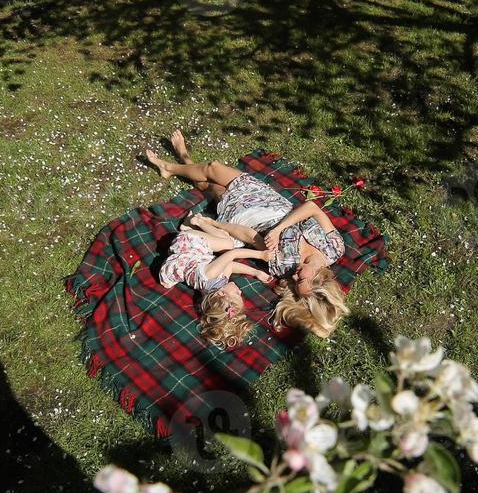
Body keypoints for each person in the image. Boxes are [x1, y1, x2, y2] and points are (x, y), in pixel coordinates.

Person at [145, 130, 351, 338]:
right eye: (301, 279)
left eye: (295, 281)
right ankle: (170, 166)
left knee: (207, 185)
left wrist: (220, 224)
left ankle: (183, 161)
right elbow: (312, 207)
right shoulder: (334, 248)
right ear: (320, 280)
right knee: (213, 168)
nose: (295, 275)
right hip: (270, 200)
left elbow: (249, 236)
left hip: (245, 213)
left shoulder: (284, 263)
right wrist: (279, 229)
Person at [158, 226, 272, 349]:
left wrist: (261, 255)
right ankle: (192, 225)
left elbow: (233, 254)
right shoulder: (215, 288)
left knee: (229, 243)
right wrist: (256, 273)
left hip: (187, 242)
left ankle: (196, 223)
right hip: (191, 255)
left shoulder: (211, 274)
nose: (240, 290)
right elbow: (231, 266)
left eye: (237, 294)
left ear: (222, 293)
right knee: (225, 242)